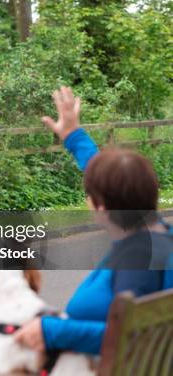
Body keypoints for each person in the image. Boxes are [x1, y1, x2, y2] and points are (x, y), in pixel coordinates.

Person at [13, 86, 172, 355]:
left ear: (100, 207)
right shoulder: (159, 236)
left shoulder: (137, 262)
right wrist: (74, 136)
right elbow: (114, 182)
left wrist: (51, 331)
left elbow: (131, 340)